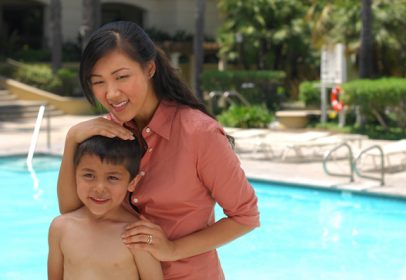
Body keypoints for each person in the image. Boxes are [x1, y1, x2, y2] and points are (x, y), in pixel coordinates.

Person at [57, 20, 260, 279]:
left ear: (150, 68)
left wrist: (173, 249)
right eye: (98, 82)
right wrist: (72, 139)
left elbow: (246, 216)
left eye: (121, 77)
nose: (111, 93)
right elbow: (72, 211)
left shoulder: (199, 133)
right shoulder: (103, 133)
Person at [48, 135, 163, 280]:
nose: (99, 188)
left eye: (112, 178)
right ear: (75, 175)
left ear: (133, 183)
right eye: (89, 175)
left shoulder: (136, 235)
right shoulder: (60, 228)